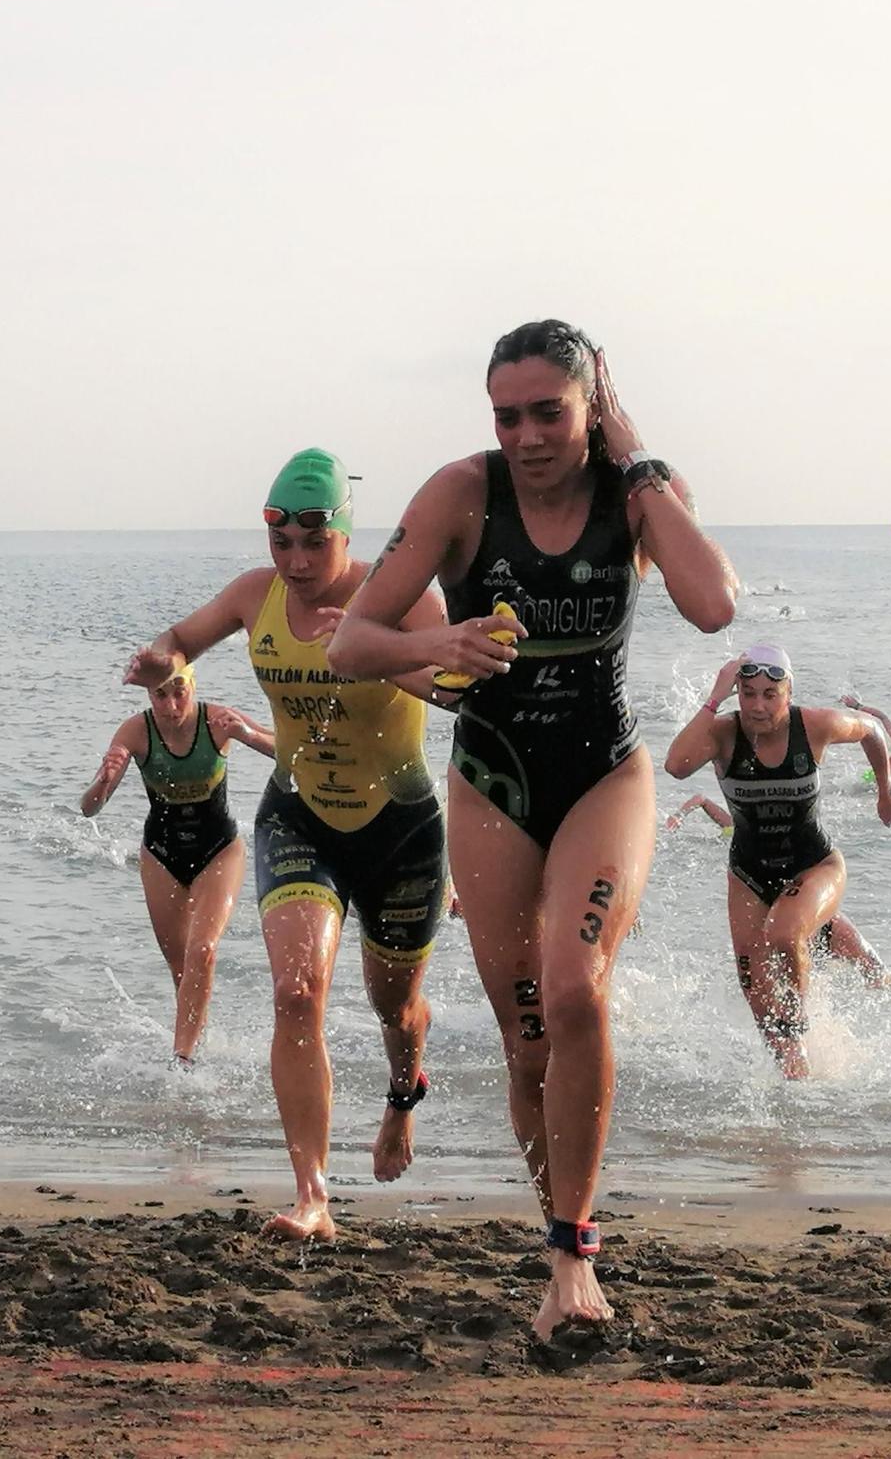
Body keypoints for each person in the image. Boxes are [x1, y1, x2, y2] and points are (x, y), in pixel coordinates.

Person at [328, 321, 738, 1332]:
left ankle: (573, 1258)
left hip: (604, 772)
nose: (525, 436)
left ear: (591, 404)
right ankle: (556, 1229)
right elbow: (350, 642)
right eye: (505, 416)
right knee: (524, 1043)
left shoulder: (636, 491)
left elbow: (714, 605)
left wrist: (637, 462)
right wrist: (439, 638)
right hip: (492, 783)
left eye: (547, 411)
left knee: (575, 992)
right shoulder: (460, 495)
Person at [123, 448, 451, 1241]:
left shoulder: (401, 594)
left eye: (315, 544)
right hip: (297, 816)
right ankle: (313, 1195)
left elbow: (454, 689)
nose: (298, 563)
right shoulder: (253, 595)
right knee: (296, 991)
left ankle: (403, 1094)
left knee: (394, 1006)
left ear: (344, 533)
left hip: (400, 825)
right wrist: (160, 660)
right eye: (282, 545)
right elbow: (181, 637)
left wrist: (377, 647)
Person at [663, 646, 891, 1079]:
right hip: (749, 875)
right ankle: (794, 1078)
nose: (757, 706)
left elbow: (871, 731)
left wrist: (884, 790)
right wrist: (713, 697)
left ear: (788, 693)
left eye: (770, 694)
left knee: (785, 932)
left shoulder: (814, 726)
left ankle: (804, 1024)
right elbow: (676, 765)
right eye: (747, 693)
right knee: (754, 990)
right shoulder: (722, 733)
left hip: (815, 865)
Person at [79, 665, 275, 1064]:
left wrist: (246, 734)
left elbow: (291, 752)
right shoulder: (136, 731)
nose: (171, 706)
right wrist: (103, 779)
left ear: (193, 685)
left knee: (202, 950)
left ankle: (181, 1060)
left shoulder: (217, 720)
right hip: (161, 855)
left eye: (179, 692)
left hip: (219, 849)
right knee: (182, 968)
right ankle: (194, 1046)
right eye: (159, 696)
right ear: (149, 697)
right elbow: (89, 810)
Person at [665, 794, 891, 989]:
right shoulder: (740, 828)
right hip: (773, 919)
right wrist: (679, 815)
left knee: (876, 973)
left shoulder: (801, 833)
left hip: (817, 922)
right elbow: (702, 799)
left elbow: (880, 977)